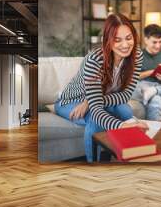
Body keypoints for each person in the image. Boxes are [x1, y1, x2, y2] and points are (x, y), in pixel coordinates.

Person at [55, 14, 148, 162]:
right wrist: (121, 125)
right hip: (70, 101)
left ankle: (125, 151)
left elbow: (125, 96)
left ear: (134, 37)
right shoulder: (95, 60)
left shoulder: (137, 55)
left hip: (95, 99)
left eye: (128, 38)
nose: (125, 45)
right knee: (95, 118)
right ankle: (95, 164)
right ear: (108, 41)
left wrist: (90, 102)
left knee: (126, 110)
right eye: (117, 40)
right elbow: (97, 110)